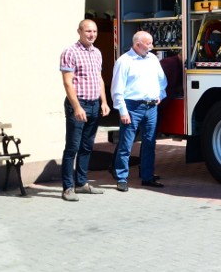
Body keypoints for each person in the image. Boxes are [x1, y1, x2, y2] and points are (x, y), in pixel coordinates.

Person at [59, 19, 111, 202]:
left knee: (87, 146)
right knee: (72, 147)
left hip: (94, 104)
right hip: (78, 104)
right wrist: (76, 107)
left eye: (95, 31)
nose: (92, 35)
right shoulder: (70, 52)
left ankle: (81, 183)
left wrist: (104, 102)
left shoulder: (96, 53)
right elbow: (67, 82)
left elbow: (99, 79)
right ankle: (68, 187)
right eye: (88, 31)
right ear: (79, 31)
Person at [111, 30, 167, 192]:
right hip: (132, 107)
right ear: (137, 44)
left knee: (149, 143)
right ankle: (121, 178)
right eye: (148, 43)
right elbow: (117, 89)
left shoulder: (153, 59)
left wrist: (160, 95)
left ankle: (147, 177)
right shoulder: (124, 61)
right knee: (126, 144)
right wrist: (122, 110)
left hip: (151, 107)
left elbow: (162, 80)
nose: (151, 46)